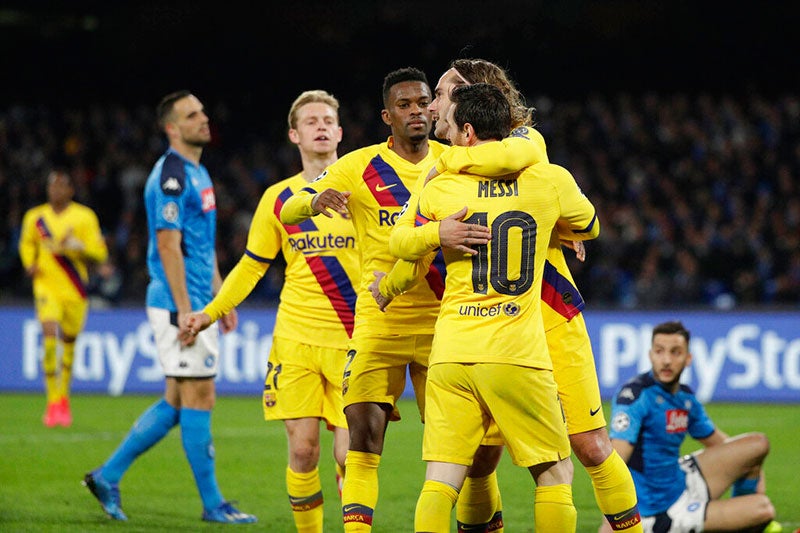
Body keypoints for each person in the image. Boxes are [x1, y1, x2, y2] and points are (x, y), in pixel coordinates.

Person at [379, 58, 642, 532]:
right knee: (478, 460)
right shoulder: (441, 175)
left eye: (442, 93)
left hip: (547, 314)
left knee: (589, 445)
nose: (433, 105)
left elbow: (507, 159)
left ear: (474, 107)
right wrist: (394, 285)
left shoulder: (525, 144)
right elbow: (416, 247)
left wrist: (448, 160)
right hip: (491, 329)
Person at [413, 82, 603, 532]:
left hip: (452, 352)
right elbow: (590, 225)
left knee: (440, 482)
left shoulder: (443, 186)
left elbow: (402, 242)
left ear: (467, 132)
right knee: (555, 474)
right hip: (516, 351)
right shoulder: (549, 179)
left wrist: (434, 232)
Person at [279, 67, 448, 532]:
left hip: (445, 324)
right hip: (379, 322)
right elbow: (289, 208)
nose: (416, 111)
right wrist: (313, 202)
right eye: (404, 105)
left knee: (456, 449)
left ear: (434, 107)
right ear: (386, 115)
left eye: (422, 102)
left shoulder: (454, 162)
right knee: (364, 442)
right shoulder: (358, 166)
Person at [184, 90, 357, 532]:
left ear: (339, 132)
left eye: (327, 120)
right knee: (303, 452)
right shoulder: (278, 199)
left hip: (356, 340)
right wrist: (210, 311)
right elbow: (251, 266)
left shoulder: (364, 191)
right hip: (295, 339)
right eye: (311, 120)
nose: (320, 126)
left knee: (350, 455)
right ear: (294, 134)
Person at [82, 90, 256, 524]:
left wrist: (222, 299)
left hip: (199, 300)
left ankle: (107, 475)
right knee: (201, 395)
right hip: (181, 303)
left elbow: (203, 246)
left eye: (203, 110)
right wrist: (186, 310)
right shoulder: (172, 176)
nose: (204, 117)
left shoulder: (198, 172)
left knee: (179, 400)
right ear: (172, 129)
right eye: (192, 114)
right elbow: (167, 242)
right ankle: (214, 505)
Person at [603, 320, 779, 533]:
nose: (666, 360)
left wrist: (752, 465)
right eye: (660, 351)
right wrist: (614, 519)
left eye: (675, 352)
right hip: (659, 511)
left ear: (688, 359)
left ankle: (741, 524)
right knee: (762, 509)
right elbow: (614, 462)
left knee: (757, 445)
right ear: (650, 355)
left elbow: (721, 443)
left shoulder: (685, 397)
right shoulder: (635, 396)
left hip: (681, 480)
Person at [18, 169, 109, 427]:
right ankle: (52, 401)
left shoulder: (84, 217)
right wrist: (29, 263)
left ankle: (63, 398)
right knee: (49, 339)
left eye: (61, 186)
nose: (55, 190)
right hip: (46, 286)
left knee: (69, 344)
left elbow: (99, 254)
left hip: (75, 289)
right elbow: (26, 244)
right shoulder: (35, 218)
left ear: (70, 190)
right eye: (51, 186)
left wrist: (77, 247)